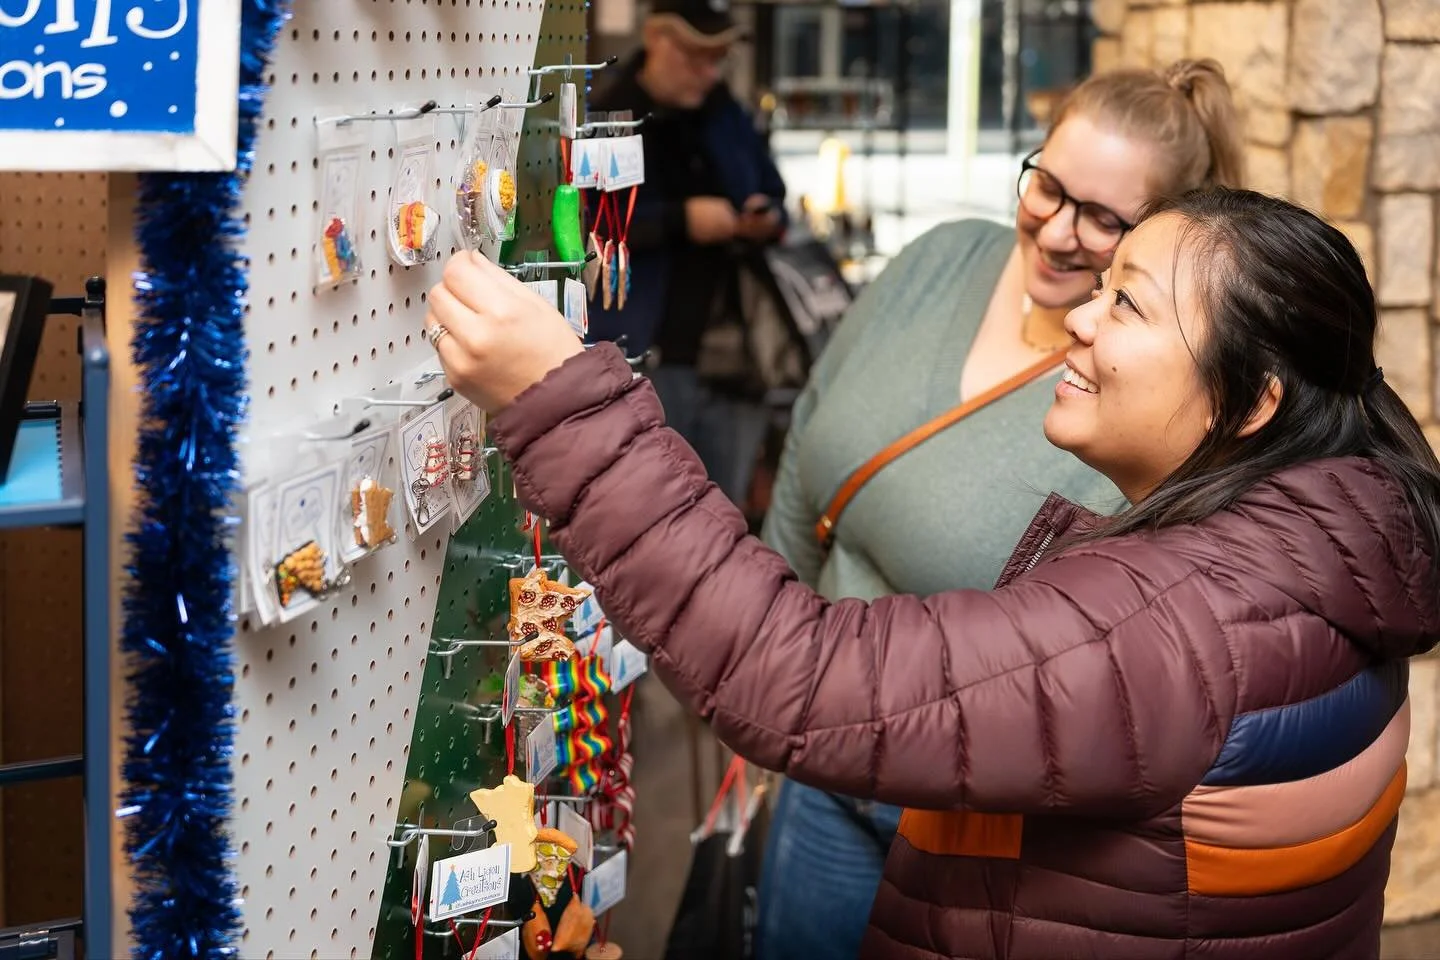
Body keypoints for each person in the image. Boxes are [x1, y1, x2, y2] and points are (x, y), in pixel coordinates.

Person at [424, 187, 1440, 959]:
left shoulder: (1181, 626)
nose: (1082, 314)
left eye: (1129, 304)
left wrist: (563, 402)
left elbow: (806, 681)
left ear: (1253, 404)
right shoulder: (1334, 542)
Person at [752, 57, 1244, 959]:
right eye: (1048, 188)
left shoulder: (1145, 403)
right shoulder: (941, 259)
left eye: (1103, 218)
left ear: (1165, 231)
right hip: (816, 754)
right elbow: (809, 453)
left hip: (972, 815)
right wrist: (763, 676)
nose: (1057, 232)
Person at [587, 0, 787, 504]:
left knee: (727, 519)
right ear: (656, 38)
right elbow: (593, 222)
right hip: (652, 352)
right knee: (648, 512)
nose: (709, 70)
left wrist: (764, 215)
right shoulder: (613, 112)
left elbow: (773, 190)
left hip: (735, 357)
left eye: (717, 57)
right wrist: (683, 220)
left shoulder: (723, 112)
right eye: (696, 55)